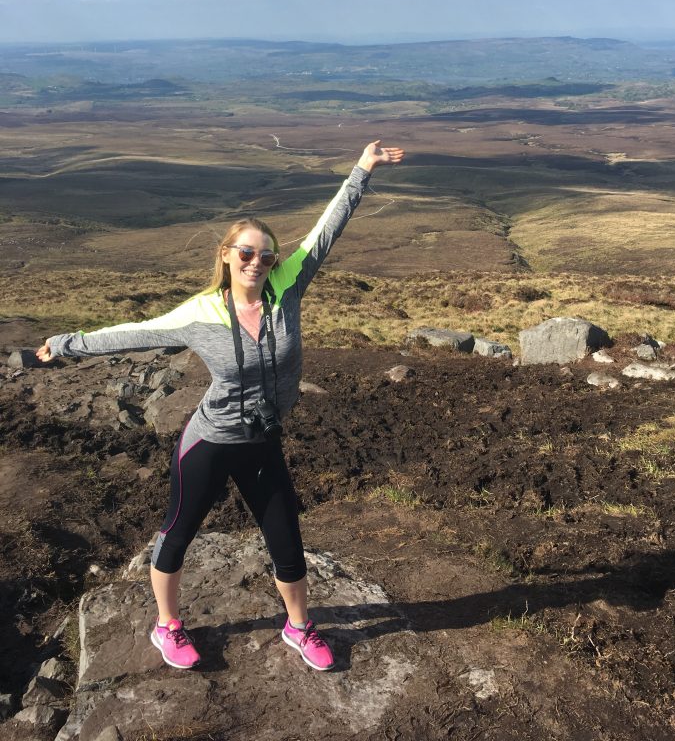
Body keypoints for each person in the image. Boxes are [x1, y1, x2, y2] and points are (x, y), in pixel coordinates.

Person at [37, 141, 404, 672]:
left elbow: (328, 229)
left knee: (287, 539)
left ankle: (298, 627)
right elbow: (131, 334)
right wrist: (66, 343)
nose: (257, 262)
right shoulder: (199, 313)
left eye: (266, 254)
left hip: (262, 440)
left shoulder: (288, 285)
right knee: (177, 532)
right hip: (209, 442)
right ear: (227, 256)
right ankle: (167, 625)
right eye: (247, 253)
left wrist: (363, 168)